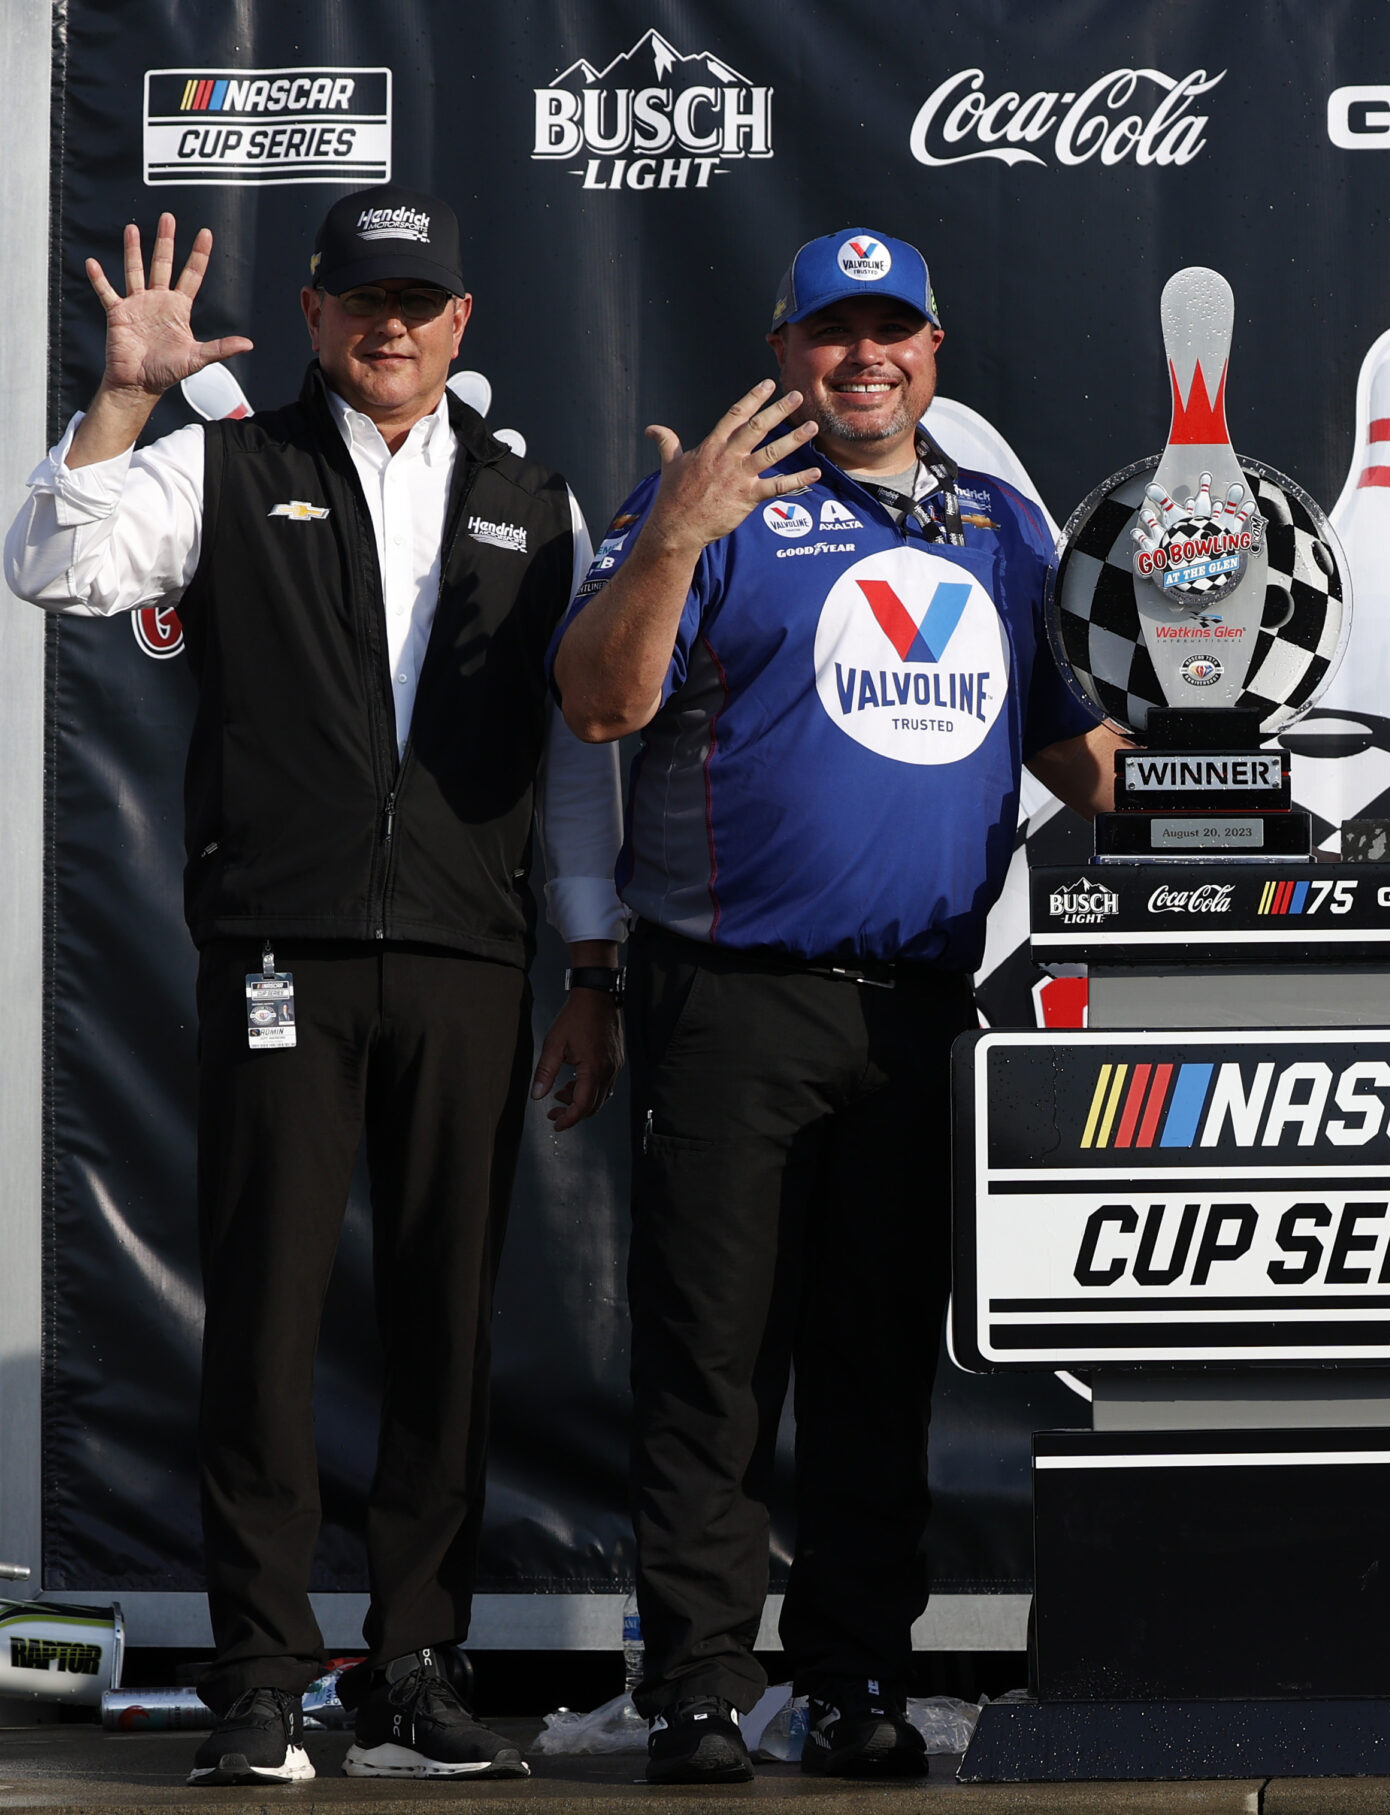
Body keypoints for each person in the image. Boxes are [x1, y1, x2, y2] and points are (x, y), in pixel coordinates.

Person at [6, 192, 628, 1785]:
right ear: (313, 315)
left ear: (464, 322)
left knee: (448, 1316)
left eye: (421, 301)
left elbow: (569, 765)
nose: (392, 327)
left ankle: (413, 1664)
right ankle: (264, 1677)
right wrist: (125, 391)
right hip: (279, 950)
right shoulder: (224, 463)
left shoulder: (526, 497)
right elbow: (51, 567)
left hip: (471, 958)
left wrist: (592, 964)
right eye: (365, 300)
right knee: (270, 1316)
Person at [550, 229, 1121, 1783]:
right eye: (832, 335)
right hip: (733, 999)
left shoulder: (999, 528)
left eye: (893, 334)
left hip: (923, 1009)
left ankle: (855, 1676)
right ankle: (696, 1688)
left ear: (935, 350)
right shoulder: (715, 500)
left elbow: (1087, 758)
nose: (863, 361)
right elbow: (599, 701)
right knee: (714, 1359)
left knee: (878, 1366)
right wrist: (673, 538)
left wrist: (1233, 744)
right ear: (785, 345)